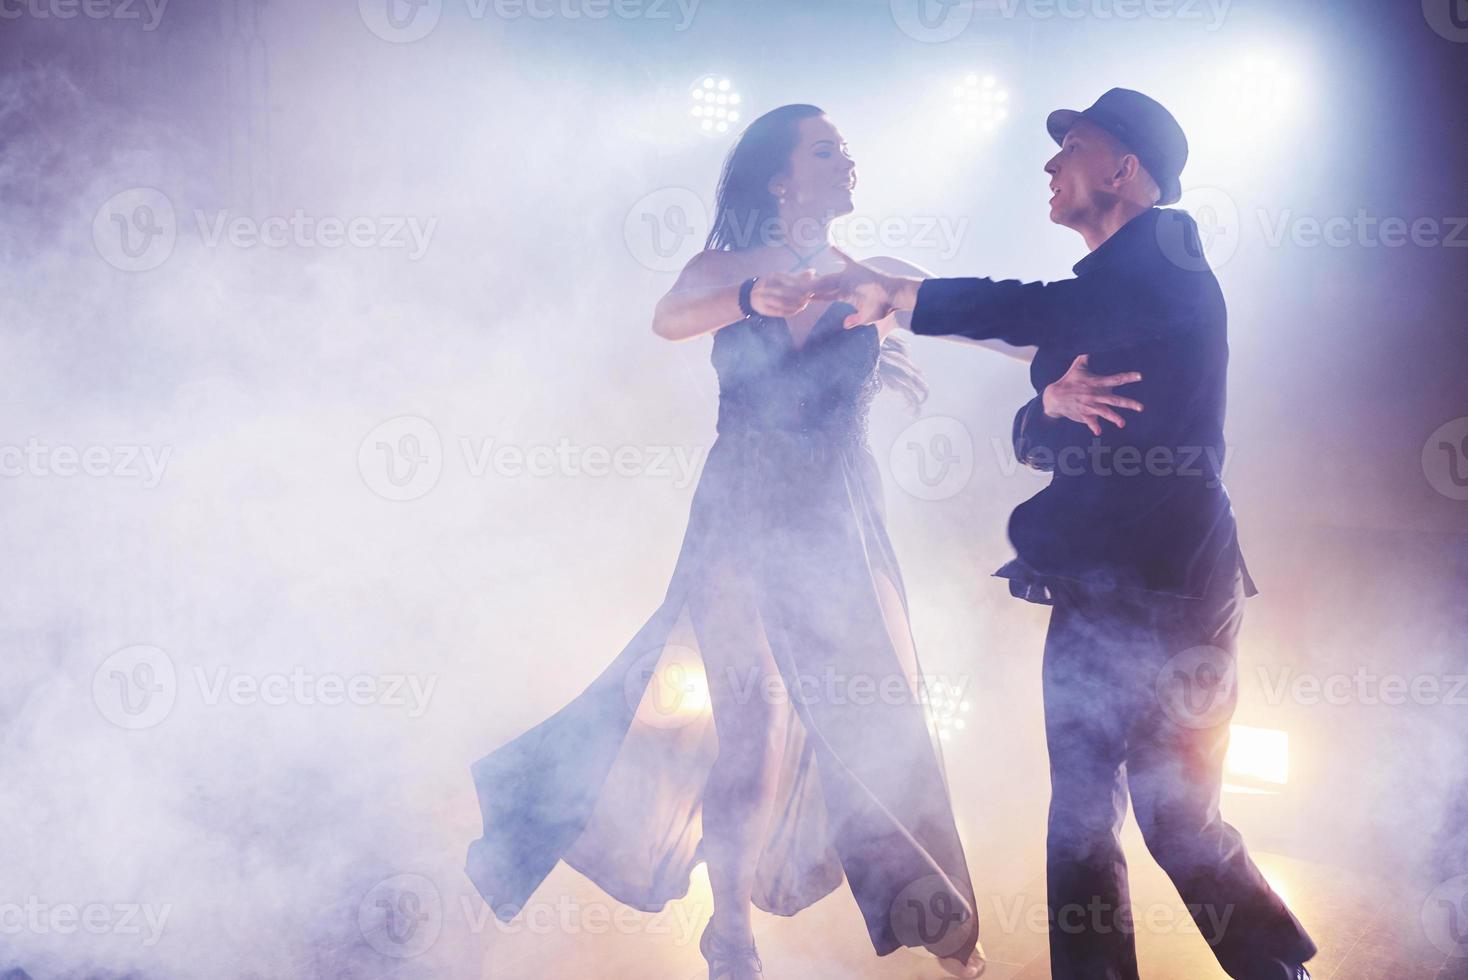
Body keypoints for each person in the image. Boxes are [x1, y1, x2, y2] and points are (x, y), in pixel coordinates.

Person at [467, 103, 1106, 979]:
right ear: (780, 176)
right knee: (751, 722)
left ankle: (933, 910)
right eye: (825, 149)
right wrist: (745, 297)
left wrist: (1056, 380)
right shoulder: (728, 266)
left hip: (835, 515)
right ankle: (728, 928)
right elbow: (669, 314)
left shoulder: (877, 276)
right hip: (736, 511)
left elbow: (995, 326)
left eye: (847, 148)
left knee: (874, 711)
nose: (847, 159)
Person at [815, 88, 1318, 980]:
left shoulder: (1166, 254)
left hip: (1173, 591)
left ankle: (1280, 970)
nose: (1050, 166)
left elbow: (1034, 313)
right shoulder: (1105, 303)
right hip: (1094, 589)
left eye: (1072, 148)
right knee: (1081, 819)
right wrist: (1045, 405)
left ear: (1125, 170)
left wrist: (903, 294)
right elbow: (1039, 426)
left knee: (1178, 818)